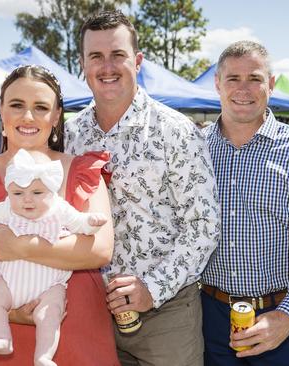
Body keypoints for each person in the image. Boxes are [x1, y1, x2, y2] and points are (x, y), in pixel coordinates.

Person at [66, 10, 220, 365]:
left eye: (117, 54)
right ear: (83, 65)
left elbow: (203, 226)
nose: (107, 66)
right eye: (96, 56)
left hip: (165, 316)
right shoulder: (70, 136)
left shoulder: (175, 131)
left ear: (137, 61)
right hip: (88, 310)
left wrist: (152, 288)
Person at [0, 65, 120, 365]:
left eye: (40, 107)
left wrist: (21, 246)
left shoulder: (83, 171)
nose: (28, 117)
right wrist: (6, 309)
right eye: (17, 105)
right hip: (2, 331)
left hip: (75, 321)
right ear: (1, 109)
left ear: (56, 115)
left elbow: (100, 249)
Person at [200, 40, 289, 365]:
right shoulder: (195, 147)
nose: (243, 89)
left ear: (271, 84)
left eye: (255, 78)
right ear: (218, 83)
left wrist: (288, 316)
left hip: (282, 314)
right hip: (211, 317)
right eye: (233, 78)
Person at [0, 149, 108, 363]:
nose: (27, 200)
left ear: (51, 192)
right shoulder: (5, 209)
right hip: (8, 282)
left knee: (50, 314)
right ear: (9, 193)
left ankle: (43, 356)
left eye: (37, 193)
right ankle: (2, 338)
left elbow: (81, 223)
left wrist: (92, 222)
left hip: (50, 284)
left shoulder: (59, 209)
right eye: (18, 193)